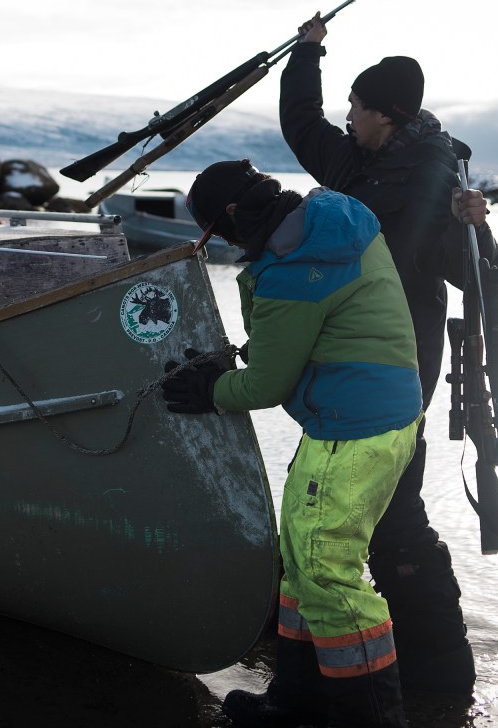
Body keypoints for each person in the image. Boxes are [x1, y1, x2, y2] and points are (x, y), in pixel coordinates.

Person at [276, 11, 498, 698]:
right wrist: (308, 52)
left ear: (384, 115)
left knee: (388, 522)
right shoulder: (361, 161)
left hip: (395, 378)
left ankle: (431, 677)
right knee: (350, 518)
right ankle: (394, 671)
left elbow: (479, 280)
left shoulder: (435, 184)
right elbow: (301, 124)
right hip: (349, 372)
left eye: (356, 105)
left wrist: (477, 233)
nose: (345, 115)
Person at [161, 159, 424, 728]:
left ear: (232, 216)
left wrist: (208, 390)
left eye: (210, 232)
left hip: (353, 429)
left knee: (326, 571)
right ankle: (298, 701)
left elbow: (265, 384)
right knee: (301, 559)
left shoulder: (289, 272)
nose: (216, 243)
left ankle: (373, 717)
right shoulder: (334, 221)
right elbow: (308, 334)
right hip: (380, 413)